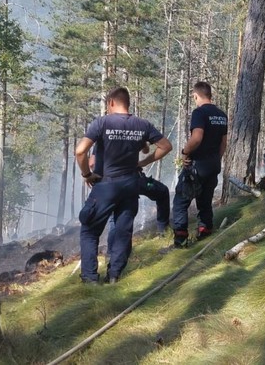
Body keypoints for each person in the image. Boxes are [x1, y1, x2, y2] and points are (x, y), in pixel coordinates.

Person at [75, 87, 172, 284]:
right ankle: (114, 275)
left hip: (106, 185)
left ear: (111, 102)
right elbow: (166, 146)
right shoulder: (142, 125)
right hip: (130, 185)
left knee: (90, 230)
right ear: (127, 103)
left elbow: (80, 151)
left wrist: (87, 174)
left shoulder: (102, 123)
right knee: (122, 230)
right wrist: (143, 162)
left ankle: (90, 278)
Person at [172, 81, 228, 247]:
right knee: (205, 200)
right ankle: (205, 230)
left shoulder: (199, 113)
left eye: (194, 97)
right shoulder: (221, 115)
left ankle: (180, 238)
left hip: (198, 165)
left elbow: (196, 138)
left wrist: (185, 153)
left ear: (196, 95)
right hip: (213, 164)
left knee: (181, 200)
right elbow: (223, 143)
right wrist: (216, 158)